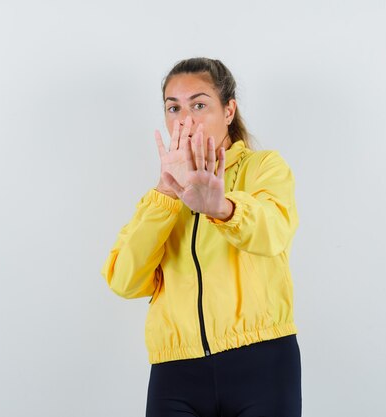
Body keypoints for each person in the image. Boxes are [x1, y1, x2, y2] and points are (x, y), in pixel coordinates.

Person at [101, 57, 302, 417]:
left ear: (228, 110)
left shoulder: (264, 168)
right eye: (173, 107)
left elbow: (274, 232)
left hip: (261, 361)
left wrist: (222, 207)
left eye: (199, 104)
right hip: (176, 371)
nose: (185, 118)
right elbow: (123, 280)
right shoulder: (160, 200)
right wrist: (166, 193)